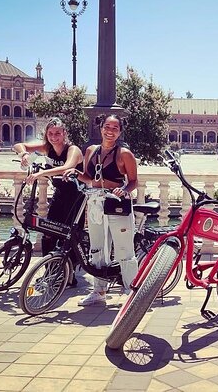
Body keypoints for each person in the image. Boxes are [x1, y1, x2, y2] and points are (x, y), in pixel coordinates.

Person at [64, 114, 139, 306]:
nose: (110, 131)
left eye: (115, 128)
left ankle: (132, 292)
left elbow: (133, 181)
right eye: (107, 126)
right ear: (101, 128)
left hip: (116, 203)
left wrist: (124, 190)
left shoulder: (124, 154)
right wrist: (75, 173)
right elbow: (89, 177)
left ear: (120, 131)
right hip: (95, 202)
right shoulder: (91, 150)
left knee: (124, 249)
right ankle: (99, 291)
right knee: (97, 248)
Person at [12, 117, 84, 286]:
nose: (54, 137)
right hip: (59, 195)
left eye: (57, 133)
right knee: (48, 232)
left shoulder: (73, 149)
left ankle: (69, 274)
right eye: (50, 133)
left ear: (64, 133)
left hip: (76, 197)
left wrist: (40, 174)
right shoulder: (47, 148)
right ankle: (50, 271)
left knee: (70, 236)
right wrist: (23, 154)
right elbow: (18, 145)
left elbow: (67, 167)